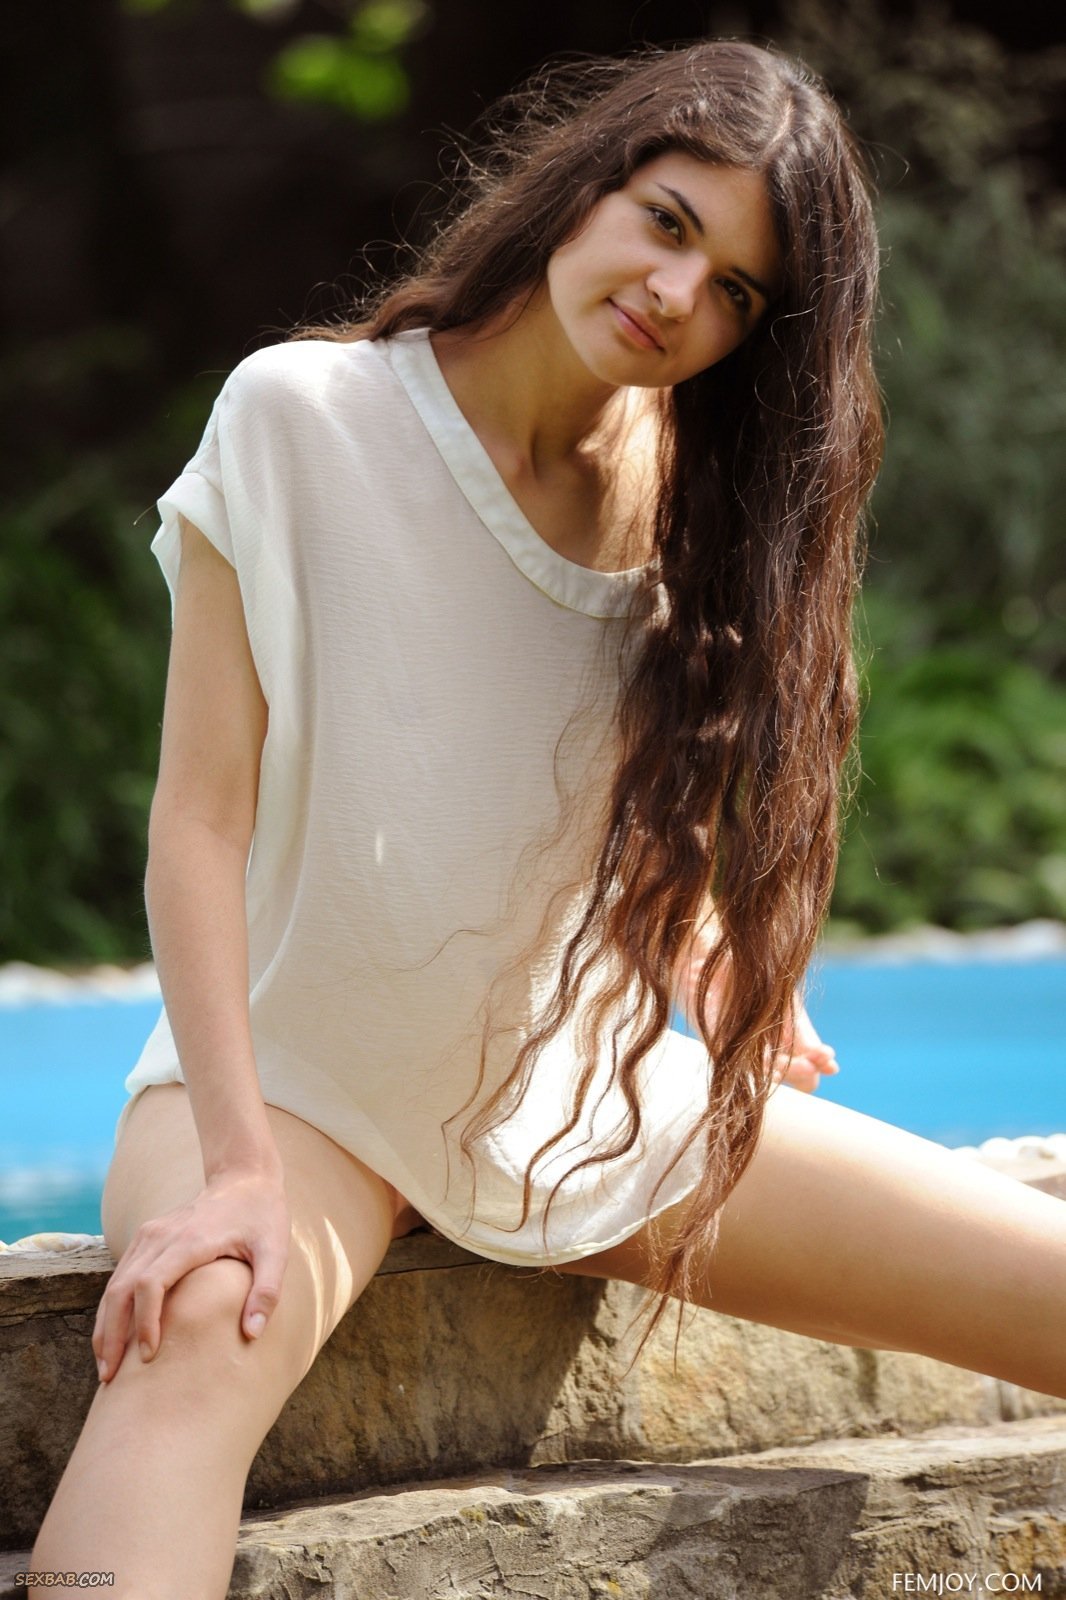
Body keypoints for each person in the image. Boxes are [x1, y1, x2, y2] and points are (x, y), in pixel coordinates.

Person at [30, 37, 1066, 1599]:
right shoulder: (302, 414)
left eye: (736, 290)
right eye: (667, 221)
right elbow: (201, 824)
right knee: (187, 1345)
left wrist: (701, 947)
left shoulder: (686, 488)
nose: (676, 292)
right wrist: (236, 1167)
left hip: (577, 1098)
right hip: (298, 1089)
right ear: (585, 184)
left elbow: (592, 783)